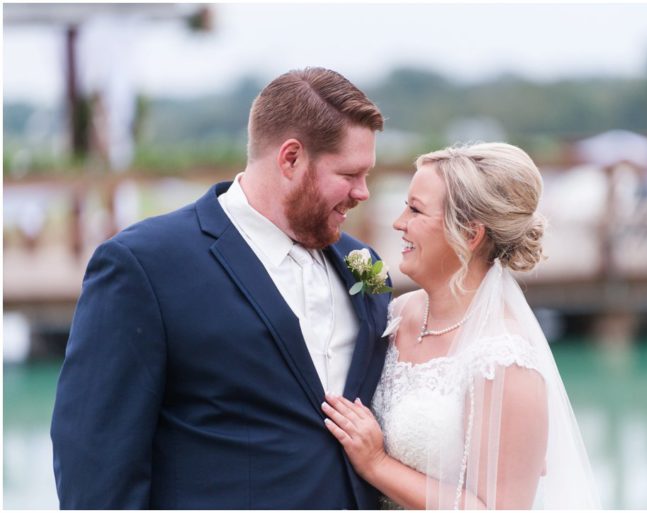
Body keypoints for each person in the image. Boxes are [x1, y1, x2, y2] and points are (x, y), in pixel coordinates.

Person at [50, 67, 391, 509]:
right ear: (290, 158)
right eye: (350, 174)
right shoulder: (145, 265)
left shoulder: (361, 265)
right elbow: (94, 461)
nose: (363, 193)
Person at [322, 142, 601, 509]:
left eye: (415, 210)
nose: (398, 222)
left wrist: (377, 464)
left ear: (469, 234)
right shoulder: (395, 314)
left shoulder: (504, 361)